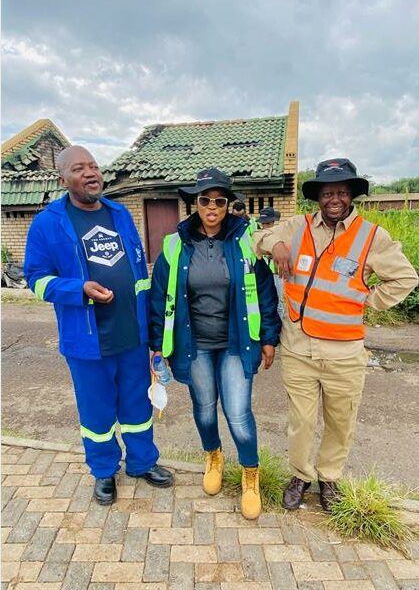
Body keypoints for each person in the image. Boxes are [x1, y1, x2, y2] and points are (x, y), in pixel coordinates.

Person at [254, 158, 418, 512]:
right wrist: (275, 244)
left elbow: (405, 278)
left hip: (344, 354)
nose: (334, 199)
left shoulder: (371, 236)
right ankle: (300, 476)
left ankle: (329, 478)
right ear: (318, 197)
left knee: (340, 422)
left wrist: (367, 300)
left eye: (342, 192)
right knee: (301, 422)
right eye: (328, 192)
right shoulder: (298, 226)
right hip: (298, 348)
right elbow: (258, 236)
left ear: (351, 195)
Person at [24, 145, 173, 505]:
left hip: (132, 334)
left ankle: (141, 462)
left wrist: (150, 331)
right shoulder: (48, 223)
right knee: (96, 411)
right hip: (87, 341)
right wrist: (79, 290)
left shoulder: (119, 213)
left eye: (93, 166)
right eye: (79, 168)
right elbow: (36, 279)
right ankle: (104, 471)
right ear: (63, 180)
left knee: (138, 407)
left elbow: (138, 274)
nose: (90, 173)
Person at [150, 168, 281, 519]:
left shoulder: (245, 241)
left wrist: (269, 336)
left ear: (227, 205)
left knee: (237, 413)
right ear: (195, 202)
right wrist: (157, 343)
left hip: (237, 342)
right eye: (205, 200)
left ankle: (250, 474)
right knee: (205, 409)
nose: (212, 206)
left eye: (219, 201)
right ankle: (214, 456)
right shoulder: (175, 245)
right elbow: (159, 296)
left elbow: (265, 292)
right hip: (195, 344)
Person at [257, 207, 285, 320]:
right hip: (264, 277)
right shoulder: (257, 236)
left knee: (280, 303)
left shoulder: (281, 237)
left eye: (268, 223)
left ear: (274, 222)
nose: (265, 227)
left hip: (278, 275)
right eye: (263, 224)